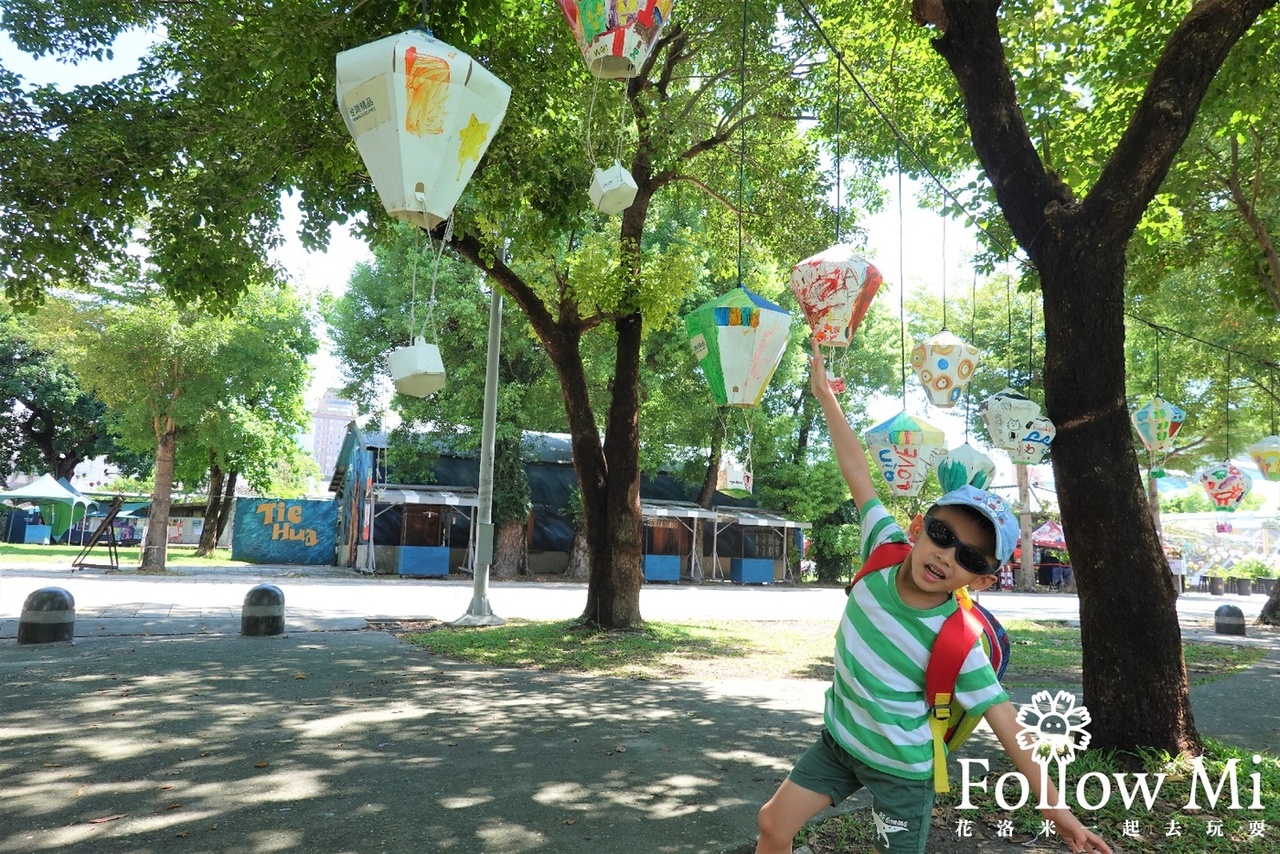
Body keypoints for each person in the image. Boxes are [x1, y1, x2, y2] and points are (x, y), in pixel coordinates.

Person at [753, 340, 1111, 854]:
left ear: (982, 580)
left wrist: (1059, 811)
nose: (948, 556)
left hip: (903, 773)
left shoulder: (959, 640)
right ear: (920, 526)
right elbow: (857, 470)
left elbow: (1007, 724)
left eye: (970, 558)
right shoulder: (883, 545)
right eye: (943, 535)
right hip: (839, 743)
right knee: (773, 825)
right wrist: (826, 395)